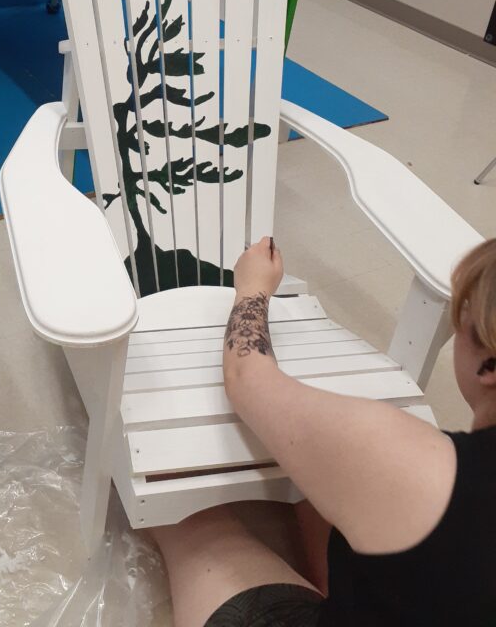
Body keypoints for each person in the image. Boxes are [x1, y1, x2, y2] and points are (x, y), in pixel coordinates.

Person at [149, 237, 496, 627]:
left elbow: (246, 377)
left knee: (192, 524)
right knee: (321, 498)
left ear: (490, 366)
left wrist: (252, 287)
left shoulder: (419, 467)